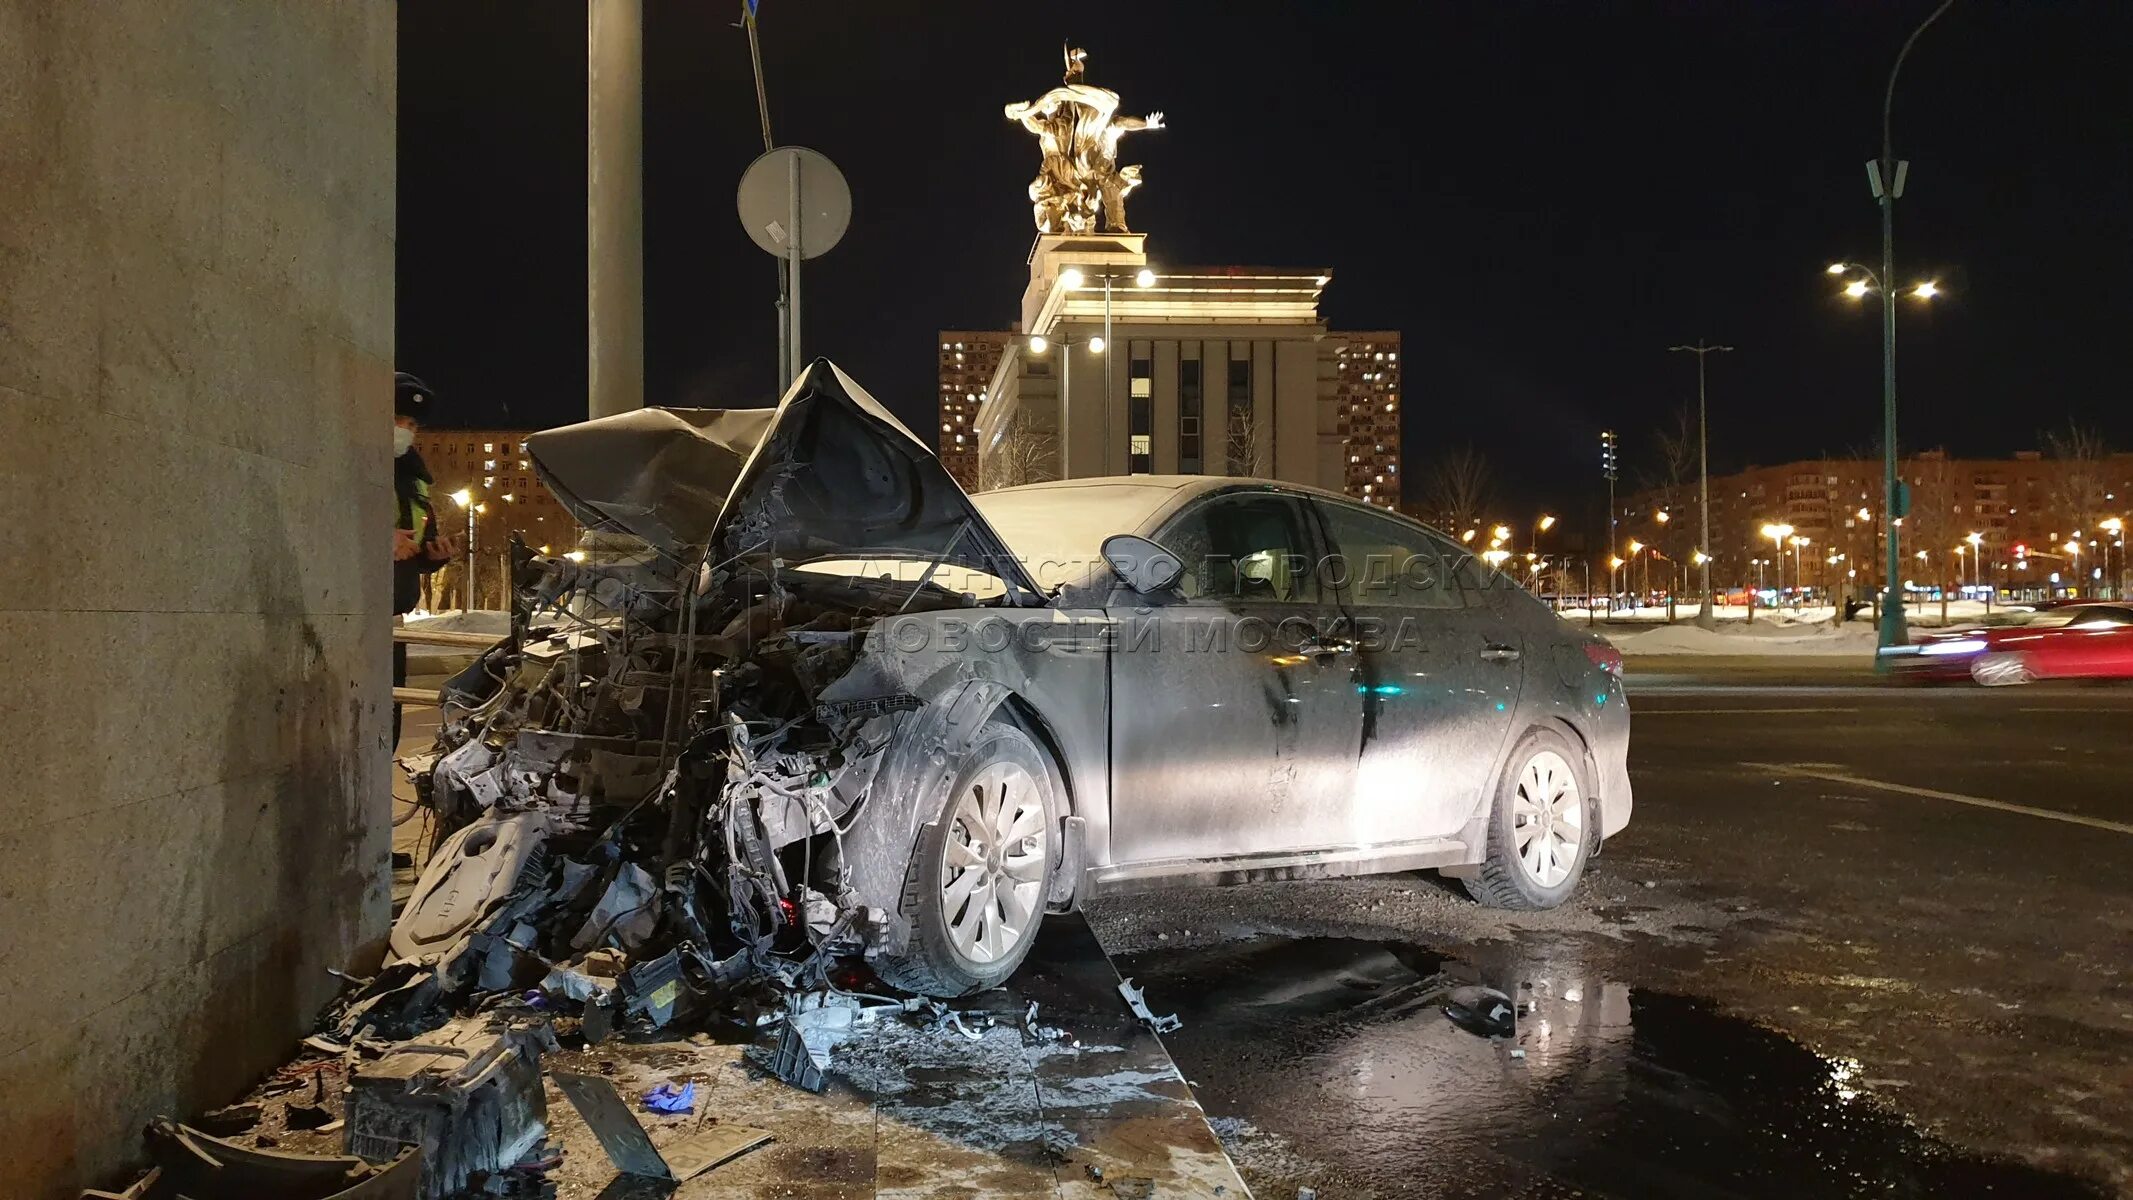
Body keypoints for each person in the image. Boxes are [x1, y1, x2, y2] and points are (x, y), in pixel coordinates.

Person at [393, 372, 455, 746]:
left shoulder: (414, 478)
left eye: (412, 424)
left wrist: (434, 556)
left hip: (392, 622)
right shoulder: (345, 461)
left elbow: (417, 545)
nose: (405, 430)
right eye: (398, 419)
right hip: (348, 619)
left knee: (386, 730)